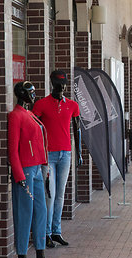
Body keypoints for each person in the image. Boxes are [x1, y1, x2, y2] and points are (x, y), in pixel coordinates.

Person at [32, 70, 82, 248]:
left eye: (64, 83)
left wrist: (79, 152)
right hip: (48, 156)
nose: (62, 86)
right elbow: (34, 130)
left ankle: (56, 231)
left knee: (60, 195)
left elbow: (77, 130)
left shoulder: (73, 105)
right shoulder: (41, 104)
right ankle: (45, 233)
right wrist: (37, 153)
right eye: (58, 83)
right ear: (52, 83)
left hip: (65, 154)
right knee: (49, 195)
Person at [8, 81, 50, 258]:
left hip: (37, 169)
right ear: (21, 94)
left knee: (41, 211)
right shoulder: (16, 116)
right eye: (31, 92)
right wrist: (19, 175)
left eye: (34, 92)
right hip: (25, 170)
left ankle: (40, 256)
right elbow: (13, 149)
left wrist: (44, 167)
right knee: (24, 213)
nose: (34, 95)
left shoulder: (30, 114)